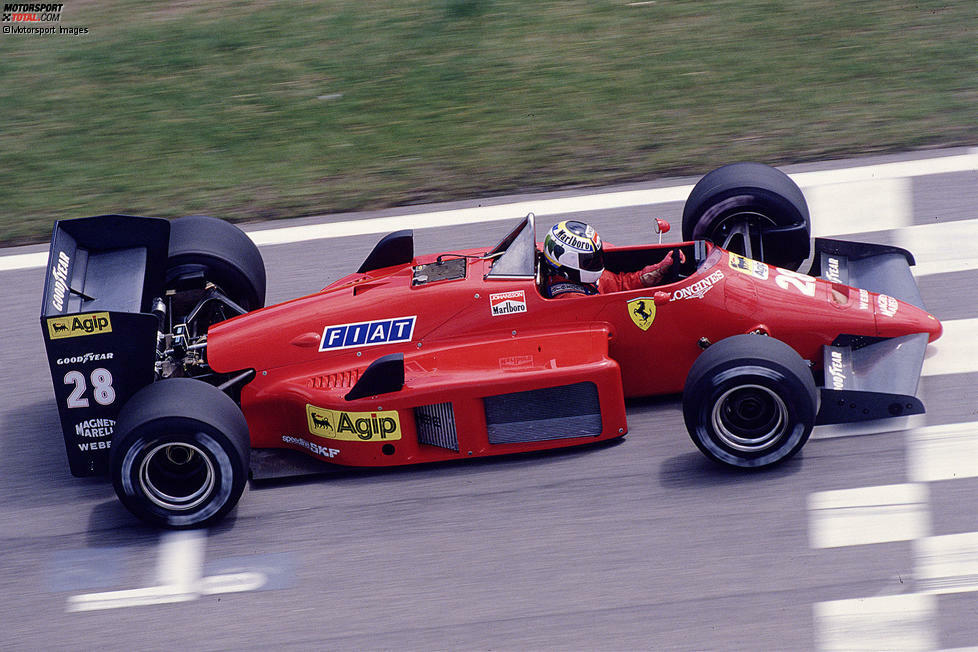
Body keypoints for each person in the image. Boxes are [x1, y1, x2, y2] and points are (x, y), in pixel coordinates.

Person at [541, 220, 682, 298]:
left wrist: (659, 269)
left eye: (596, 257)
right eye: (589, 260)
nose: (596, 263)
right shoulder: (570, 298)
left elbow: (621, 284)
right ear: (569, 262)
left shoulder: (583, 278)